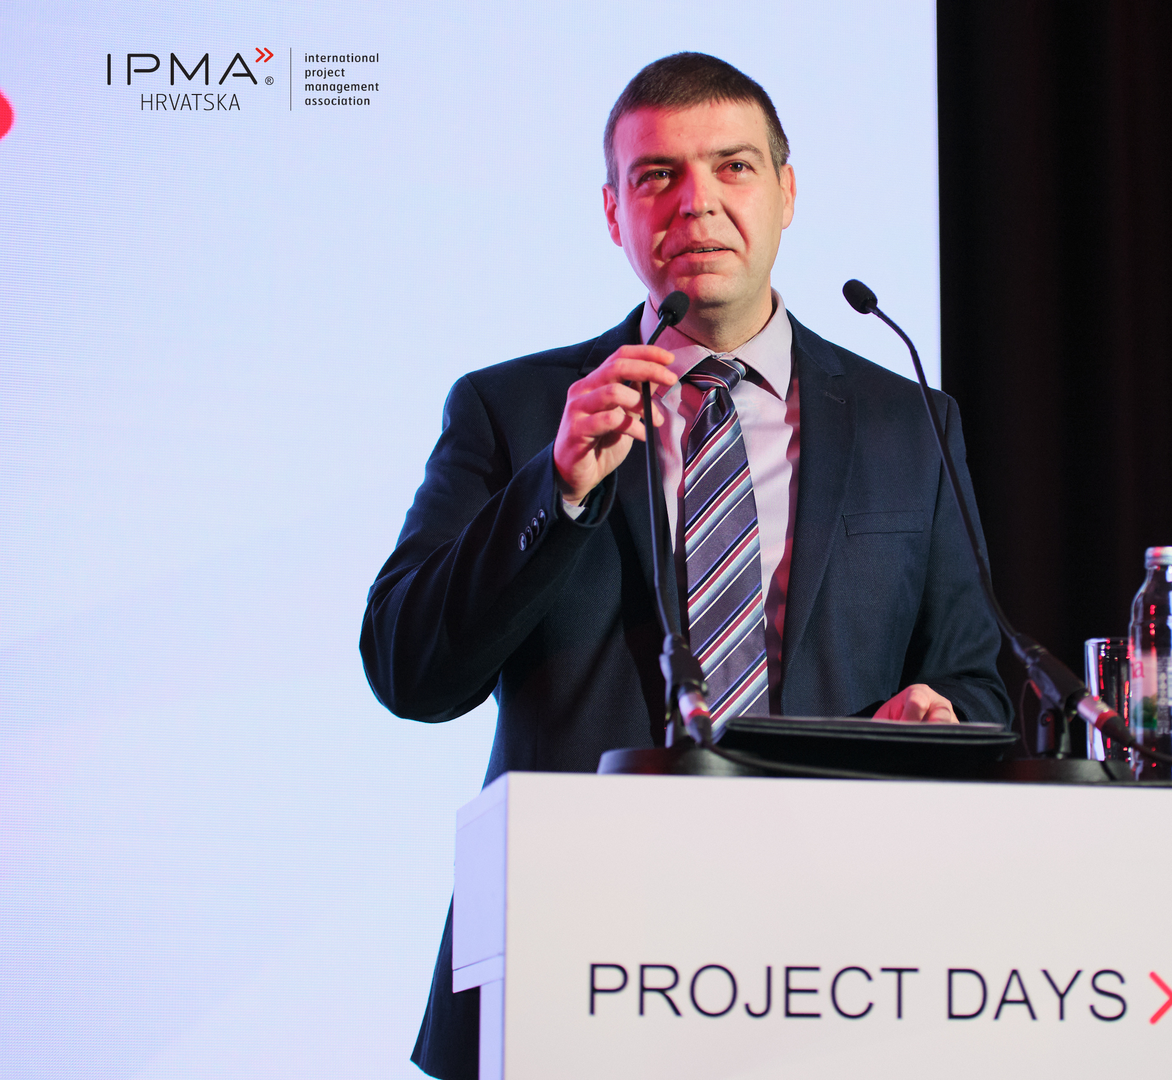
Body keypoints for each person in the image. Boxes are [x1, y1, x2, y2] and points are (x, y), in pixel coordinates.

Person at [360, 52, 1010, 1079]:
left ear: (786, 193)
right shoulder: (514, 410)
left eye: (733, 167)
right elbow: (408, 671)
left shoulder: (910, 423)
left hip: (836, 960)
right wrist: (556, 488)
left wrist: (940, 711)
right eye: (657, 175)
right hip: (572, 962)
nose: (697, 202)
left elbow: (976, 677)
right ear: (612, 212)